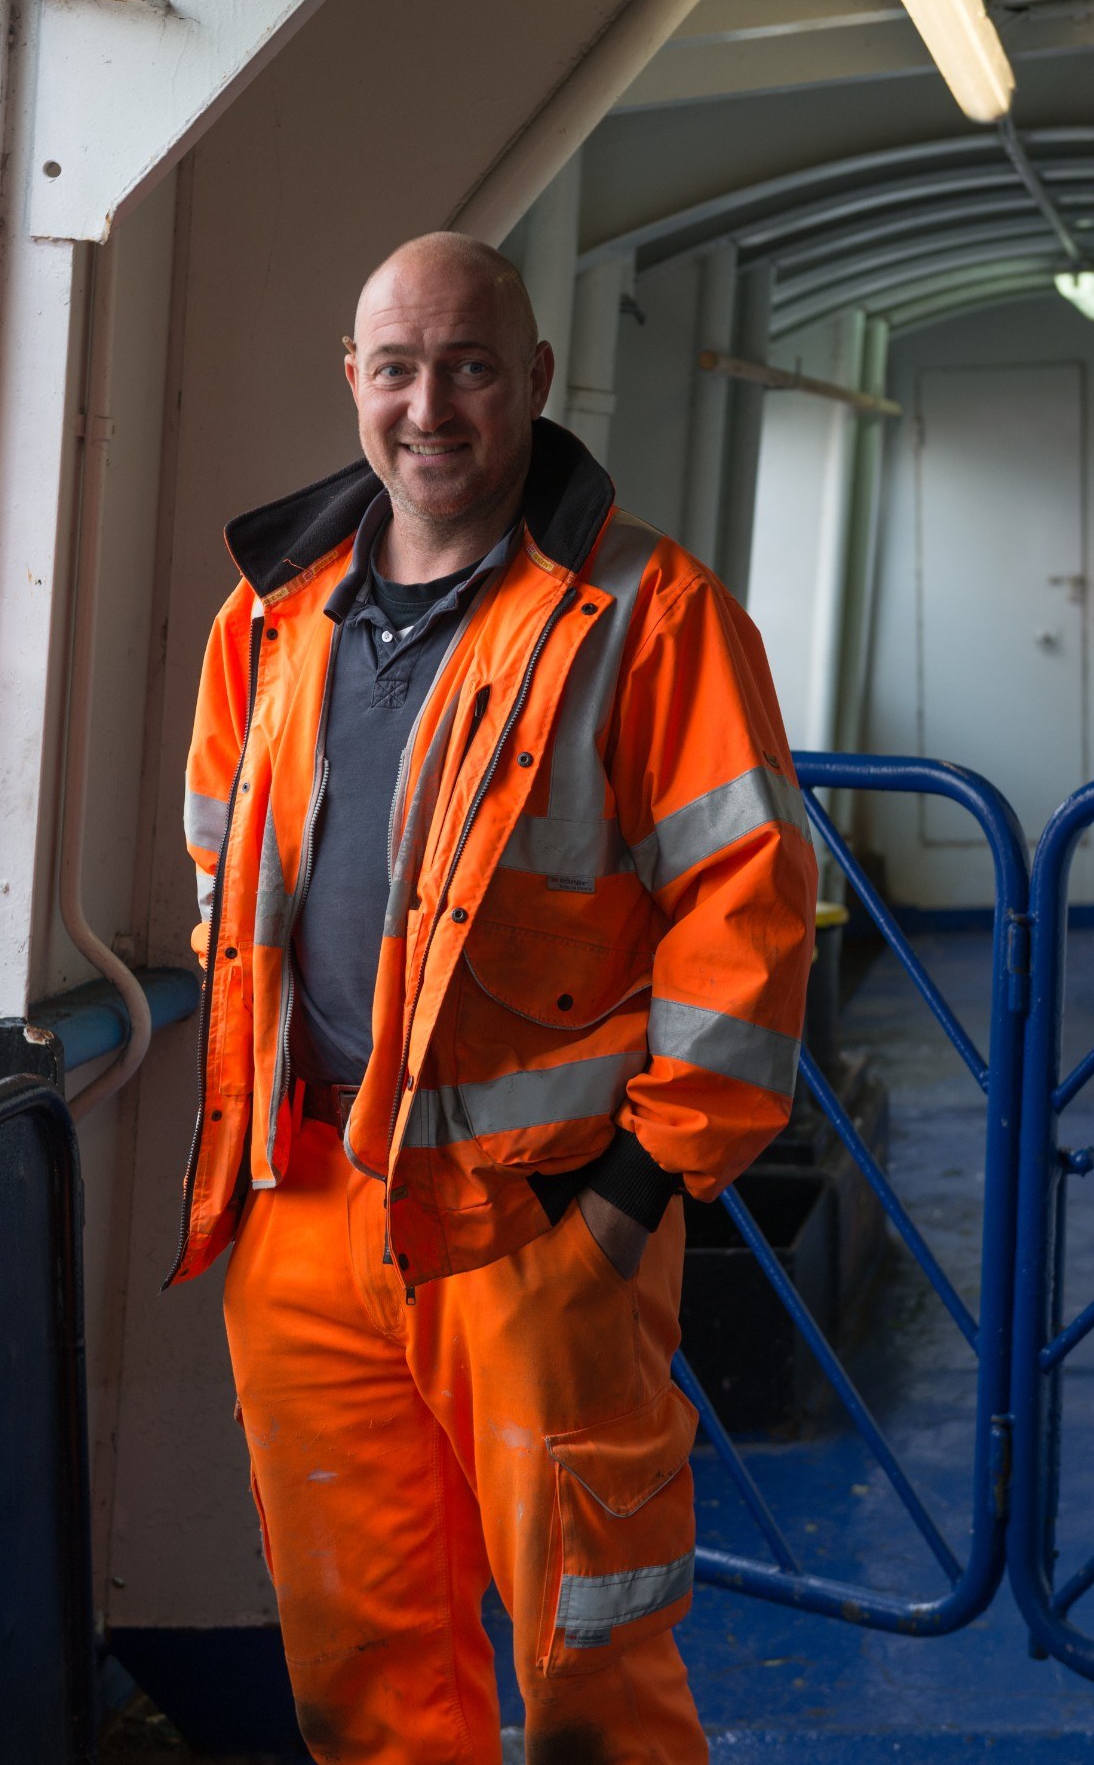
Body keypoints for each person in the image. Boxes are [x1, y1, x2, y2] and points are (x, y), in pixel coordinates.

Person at [176, 231, 817, 1763]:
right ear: (352, 383)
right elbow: (222, 864)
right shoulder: (269, 617)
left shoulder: (646, 611)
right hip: (306, 1203)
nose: (430, 406)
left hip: (537, 1224)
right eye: (395, 368)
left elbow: (750, 905)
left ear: (533, 378)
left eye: (469, 365)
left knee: (590, 1656)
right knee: (363, 1660)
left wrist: (636, 1186)